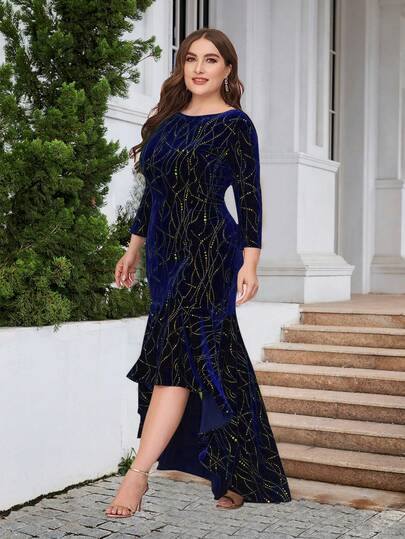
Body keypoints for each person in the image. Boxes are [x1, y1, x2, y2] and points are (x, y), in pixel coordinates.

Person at [105, 27, 291, 518]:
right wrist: (134, 248)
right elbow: (155, 193)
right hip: (165, 258)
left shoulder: (235, 124)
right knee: (217, 359)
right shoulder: (166, 123)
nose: (199, 68)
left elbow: (249, 195)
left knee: (175, 360)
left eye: (211, 59)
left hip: (209, 255)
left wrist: (251, 261)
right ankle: (240, 473)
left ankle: (136, 476)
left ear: (227, 69)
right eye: (191, 58)